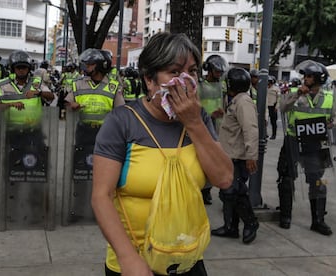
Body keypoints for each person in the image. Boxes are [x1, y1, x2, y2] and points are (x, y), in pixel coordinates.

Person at [91, 32, 233, 276]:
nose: (186, 80)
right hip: (136, 262)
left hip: (187, 259)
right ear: (150, 79)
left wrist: (193, 123)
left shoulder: (199, 119)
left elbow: (224, 178)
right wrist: (128, 258)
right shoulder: (122, 122)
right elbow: (101, 196)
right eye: (175, 72)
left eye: (192, 71)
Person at [277, 60, 336, 235]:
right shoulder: (295, 92)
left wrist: (331, 124)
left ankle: (318, 220)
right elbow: (283, 107)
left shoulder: (329, 97)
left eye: (309, 76)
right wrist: (296, 95)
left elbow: (334, 118)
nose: (305, 78)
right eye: (305, 75)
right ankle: (285, 216)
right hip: (293, 141)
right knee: (287, 177)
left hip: (316, 144)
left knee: (318, 181)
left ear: (319, 78)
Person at [210, 67, 259, 244]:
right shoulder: (233, 100)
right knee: (227, 193)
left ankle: (251, 223)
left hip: (239, 156)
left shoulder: (244, 102)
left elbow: (250, 129)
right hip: (228, 154)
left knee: (236, 192)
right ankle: (230, 227)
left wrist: (251, 156)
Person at [64, 48, 124, 146]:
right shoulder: (78, 84)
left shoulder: (113, 86)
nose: (86, 67)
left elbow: (121, 111)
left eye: (90, 64)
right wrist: (71, 105)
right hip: (83, 132)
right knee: (81, 159)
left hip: (106, 132)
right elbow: (66, 103)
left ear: (100, 66)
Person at [0, 50, 54, 146]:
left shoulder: (36, 83)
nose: (21, 70)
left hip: (34, 131)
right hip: (13, 131)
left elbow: (51, 96)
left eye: (24, 67)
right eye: (18, 67)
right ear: (13, 69)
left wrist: (38, 93)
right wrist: (11, 104)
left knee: (39, 158)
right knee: (12, 159)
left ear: (29, 68)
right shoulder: (3, 85)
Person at [197, 54, 228, 205]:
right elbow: (196, 108)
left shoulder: (222, 86)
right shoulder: (200, 86)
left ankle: (208, 190)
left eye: (221, 72)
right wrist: (209, 115)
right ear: (208, 70)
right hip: (204, 126)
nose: (219, 74)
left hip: (218, 127)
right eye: (217, 71)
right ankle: (202, 189)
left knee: (215, 159)